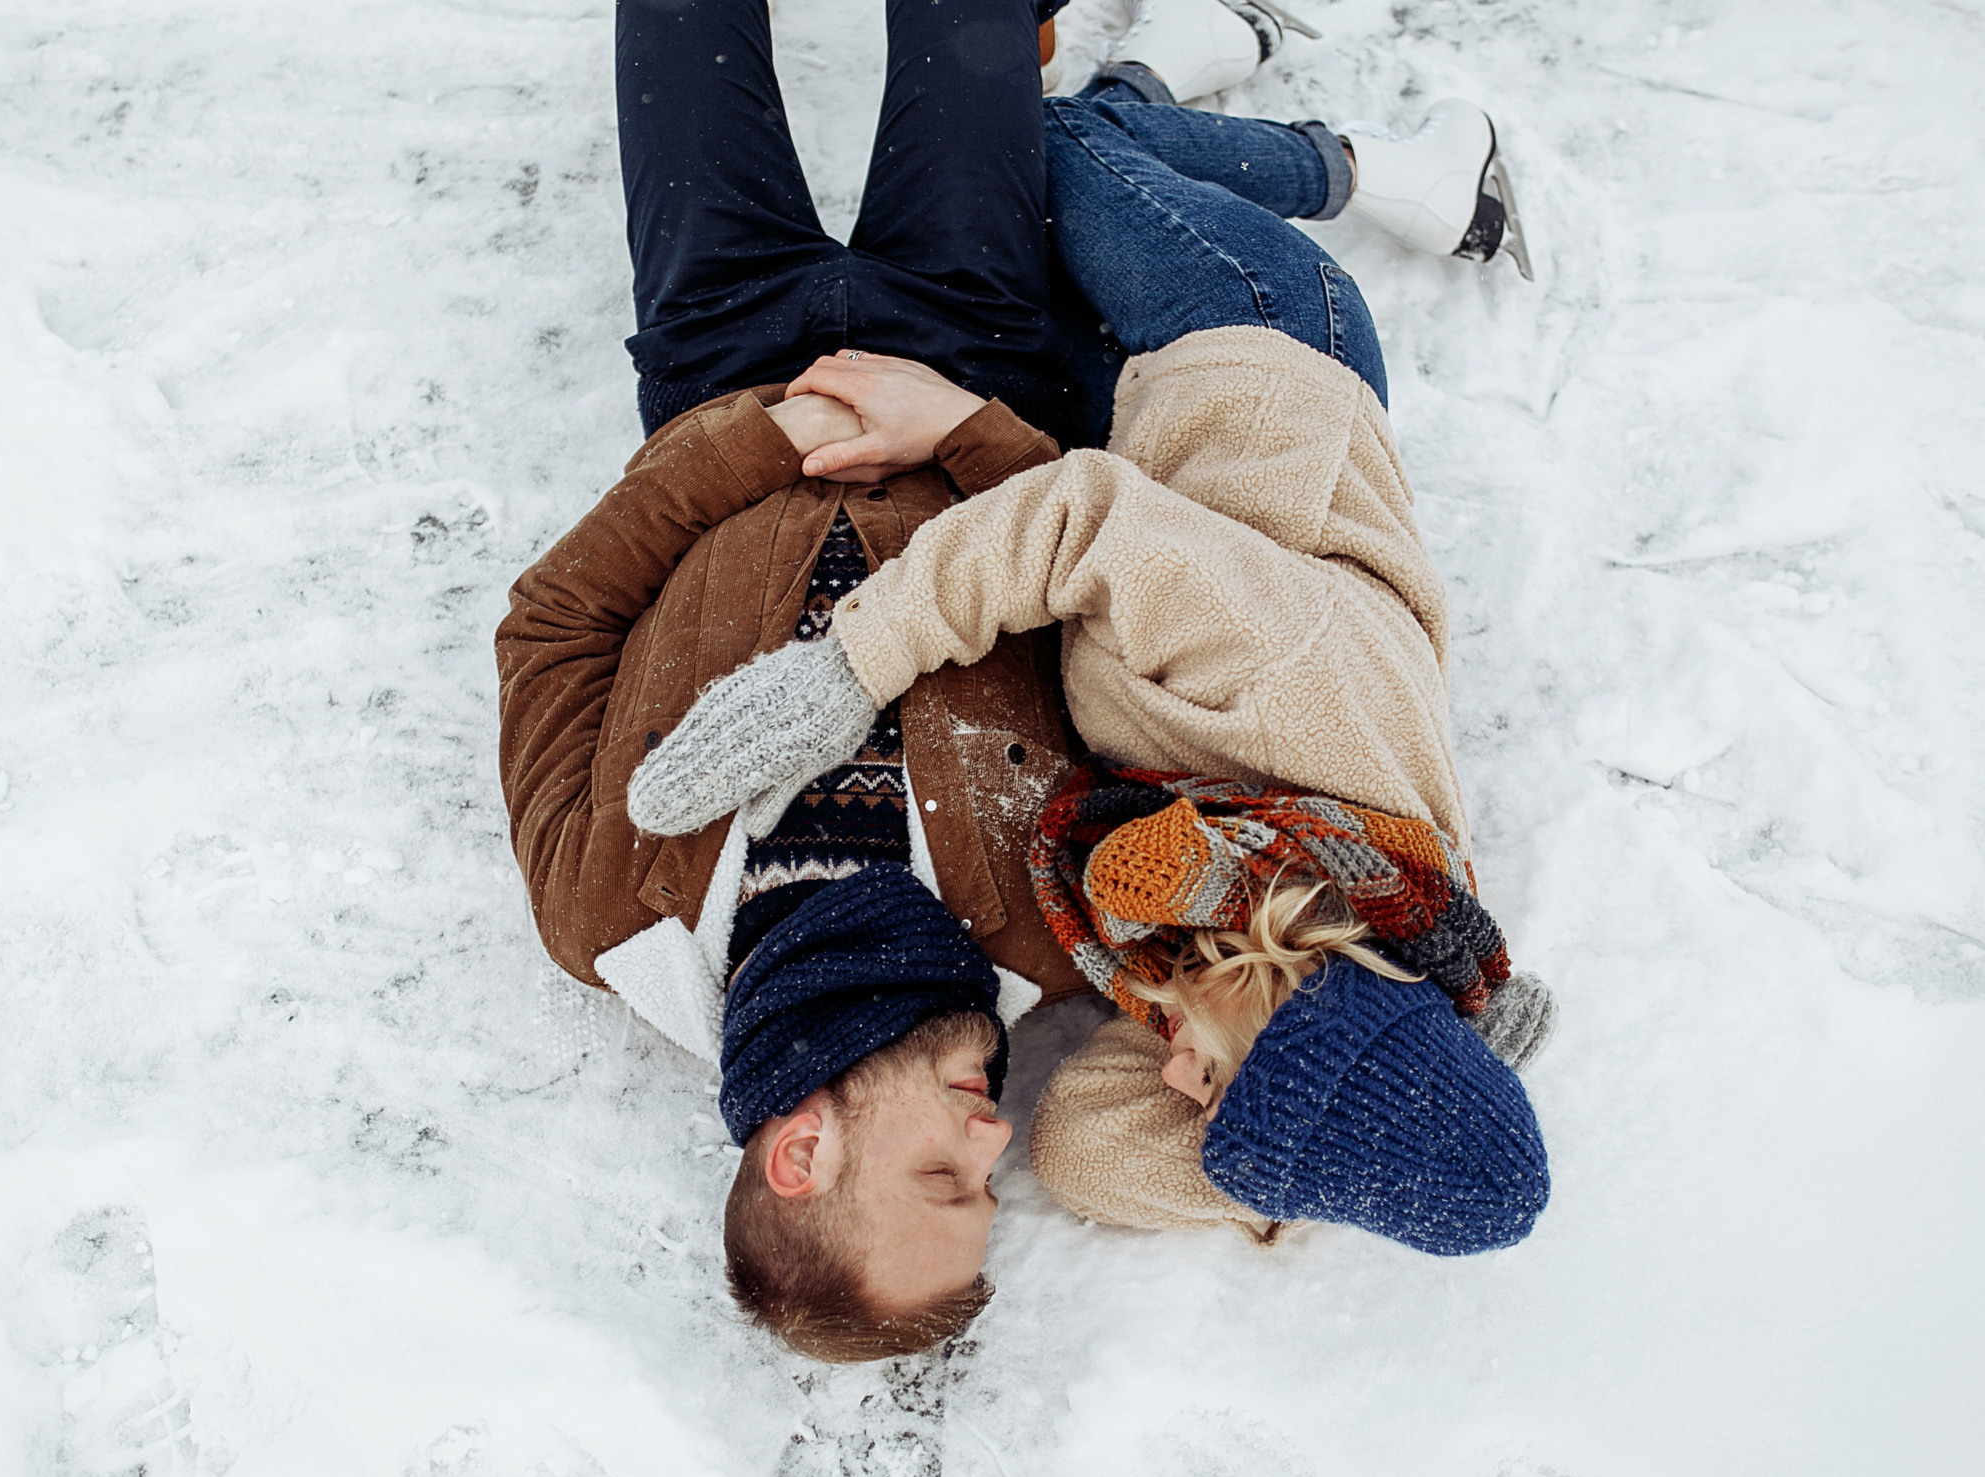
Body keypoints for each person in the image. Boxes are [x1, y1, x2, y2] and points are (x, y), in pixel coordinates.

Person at [628, 12, 1552, 1272]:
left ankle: (1172, 62)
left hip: (1101, 438)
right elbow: (1078, 522)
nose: (1167, 1072)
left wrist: (1346, 1120)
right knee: (1059, 140)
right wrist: (844, 668)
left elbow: (1085, 1148)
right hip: (1248, 352)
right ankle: (1385, 169)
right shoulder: (1287, 694)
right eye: (1214, 1077)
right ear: (1300, 995)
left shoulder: (1240, 911)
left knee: (998, 183)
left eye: (1202, 1107)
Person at [496, 0, 1101, 1365]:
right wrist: (956, 424)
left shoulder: (607, 908)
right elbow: (1107, 593)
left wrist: (765, 441)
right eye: (988, 1183)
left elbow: (555, 626)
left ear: (800, 1147)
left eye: (942, 1175)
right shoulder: (1055, 922)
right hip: (971, 346)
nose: (996, 1139)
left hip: (722, 357)